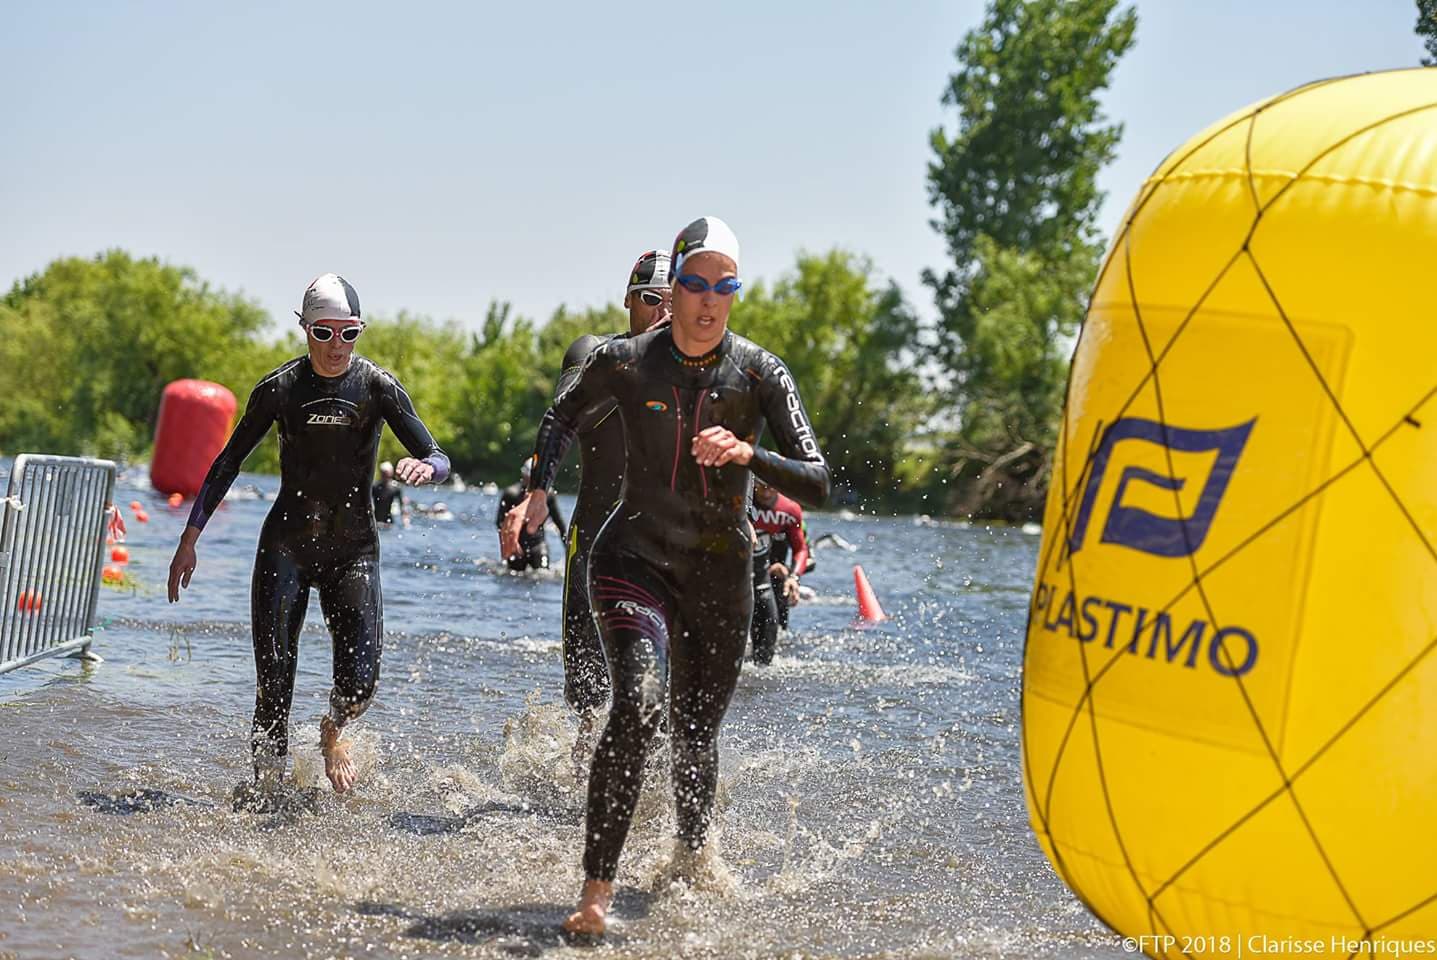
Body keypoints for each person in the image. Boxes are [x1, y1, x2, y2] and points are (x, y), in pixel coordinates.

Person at [501, 216, 829, 937]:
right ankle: (596, 894)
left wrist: (748, 455)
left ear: (734, 294)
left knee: (694, 736)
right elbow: (559, 418)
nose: (708, 300)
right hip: (632, 559)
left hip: (720, 574)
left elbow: (819, 479)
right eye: (694, 283)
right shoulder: (624, 361)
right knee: (638, 703)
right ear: (672, 288)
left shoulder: (761, 373)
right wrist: (535, 491)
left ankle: (690, 858)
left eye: (724, 286)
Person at [166, 273, 449, 803]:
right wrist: (190, 537)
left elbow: (440, 457)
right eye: (324, 332)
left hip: (353, 551)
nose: (337, 346)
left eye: (349, 333)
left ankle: (333, 729)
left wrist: (424, 470)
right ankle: (265, 791)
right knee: (274, 684)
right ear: (304, 329)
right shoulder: (278, 390)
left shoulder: (377, 387)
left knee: (361, 682)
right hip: (287, 548)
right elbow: (229, 461)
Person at [542, 249, 672, 757]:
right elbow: (566, 415)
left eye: (670, 301)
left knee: (658, 693)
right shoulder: (592, 351)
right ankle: (578, 775)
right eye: (648, 300)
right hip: (594, 539)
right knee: (588, 695)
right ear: (627, 300)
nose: (660, 312)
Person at [748, 479, 810, 664]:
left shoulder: (790, 509)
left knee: (773, 629)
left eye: (772, 488)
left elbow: (801, 549)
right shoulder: (742, 503)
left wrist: (794, 576)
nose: (766, 494)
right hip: (741, 570)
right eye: (761, 487)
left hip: (775, 574)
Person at [496, 460, 566, 571]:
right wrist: (505, 548)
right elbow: (500, 524)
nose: (530, 482)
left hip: (538, 545)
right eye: (528, 478)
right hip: (517, 547)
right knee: (513, 576)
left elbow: (560, 524)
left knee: (543, 575)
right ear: (523, 475)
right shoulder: (511, 494)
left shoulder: (548, 496)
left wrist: (569, 551)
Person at [371, 461, 409, 525]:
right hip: (376, 520)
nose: (385, 477)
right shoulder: (375, 487)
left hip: (388, 521)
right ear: (381, 473)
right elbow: (368, 503)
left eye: (387, 474)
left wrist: (405, 521)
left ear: (391, 473)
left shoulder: (395, 488)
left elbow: (402, 505)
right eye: (384, 474)